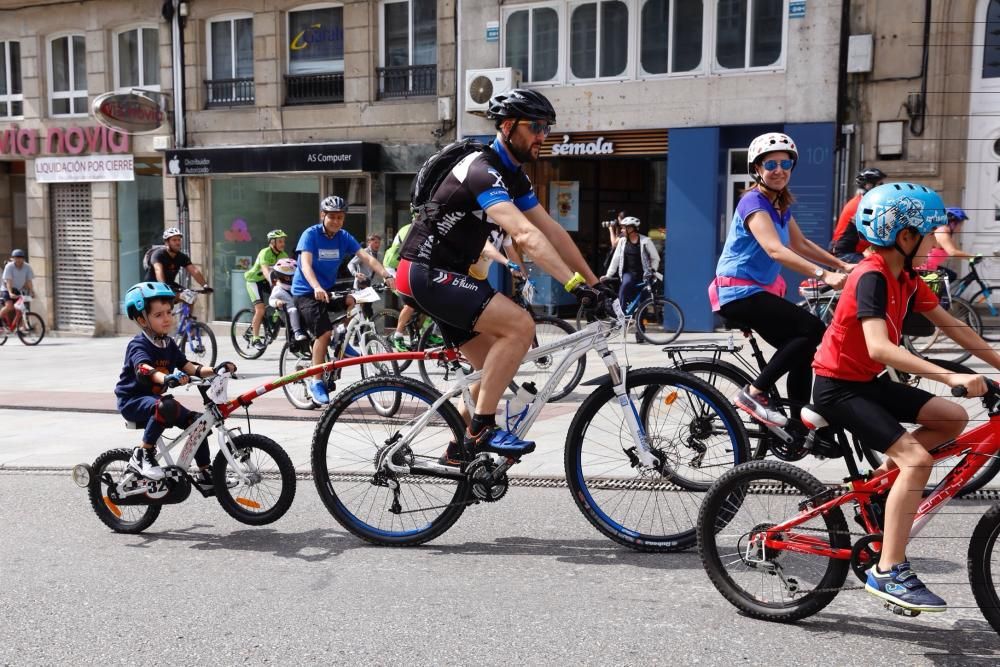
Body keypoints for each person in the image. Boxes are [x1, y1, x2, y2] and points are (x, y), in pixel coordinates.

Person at [811, 182, 1000, 613]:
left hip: (867, 381)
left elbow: (954, 326)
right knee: (917, 458)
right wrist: (949, 374)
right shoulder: (870, 276)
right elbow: (879, 347)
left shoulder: (907, 277)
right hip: (837, 387)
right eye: (929, 233)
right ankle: (889, 569)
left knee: (951, 419)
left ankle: (881, 487)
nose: (936, 241)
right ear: (905, 236)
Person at [396, 88, 612, 464]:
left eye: (548, 128)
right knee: (519, 326)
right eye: (537, 127)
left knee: (490, 370)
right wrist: (574, 286)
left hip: (448, 275)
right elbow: (526, 237)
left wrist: (594, 283)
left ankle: (457, 451)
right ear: (509, 126)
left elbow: (553, 232)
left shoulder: (516, 178)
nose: (543, 136)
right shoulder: (482, 170)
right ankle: (481, 429)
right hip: (424, 271)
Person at [710, 131, 854, 426]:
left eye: (785, 164)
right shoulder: (753, 202)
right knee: (813, 328)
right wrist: (824, 274)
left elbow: (800, 244)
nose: (778, 170)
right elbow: (776, 250)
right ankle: (754, 392)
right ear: (757, 169)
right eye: (771, 164)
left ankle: (798, 430)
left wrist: (842, 265)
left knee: (802, 348)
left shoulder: (779, 205)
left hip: (755, 292)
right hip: (738, 292)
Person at [114, 281, 237, 487]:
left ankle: (206, 474)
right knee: (166, 405)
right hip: (132, 401)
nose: (167, 318)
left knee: (199, 423)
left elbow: (191, 367)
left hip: (154, 400)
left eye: (169, 312)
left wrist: (215, 370)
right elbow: (144, 368)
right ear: (142, 319)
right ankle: (143, 454)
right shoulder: (139, 344)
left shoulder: (168, 344)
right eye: (158, 315)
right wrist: (165, 378)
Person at [291, 195, 395, 404]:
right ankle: (316, 381)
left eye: (340, 217)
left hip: (327, 289)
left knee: (352, 300)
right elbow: (305, 266)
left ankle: (342, 339)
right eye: (332, 217)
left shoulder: (344, 236)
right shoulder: (310, 235)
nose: (337, 221)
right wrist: (316, 287)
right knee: (324, 333)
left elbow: (367, 257)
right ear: (323, 216)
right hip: (306, 291)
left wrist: (386, 275)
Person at [244, 229, 289, 350]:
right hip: (254, 281)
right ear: (272, 242)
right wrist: (275, 285)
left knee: (282, 298)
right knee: (260, 309)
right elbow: (265, 271)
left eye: (283, 241)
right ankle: (255, 338)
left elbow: (287, 272)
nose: (282, 244)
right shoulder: (265, 252)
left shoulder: (283, 255)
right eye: (280, 241)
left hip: (267, 282)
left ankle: (274, 318)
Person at [830, 167, 886, 263]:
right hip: (844, 254)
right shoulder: (862, 205)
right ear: (868, 185)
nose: (883, 187)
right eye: (880, 184)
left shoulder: (864, 201)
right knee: (879, 265)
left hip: (852, 251)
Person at [603, 216, 660, 307]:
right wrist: (608, 275)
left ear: (631, 229)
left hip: (644, 274)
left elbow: (655, 258)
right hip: (629, 273)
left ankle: (639, 319)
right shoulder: (622, 241)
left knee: (643, 299)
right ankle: (621, 313)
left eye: (623, 228)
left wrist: (653, 270)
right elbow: (616, 259)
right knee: (626, 284)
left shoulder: (645, 241)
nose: (621, 230)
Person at [145, 227, 212, 293]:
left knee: (190, 297)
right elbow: (158, 271)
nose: (177, 243)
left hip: (170, 285)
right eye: (174, 240)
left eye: (179, 240)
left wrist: (205, 285)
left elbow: (194, 271)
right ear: (167, 242)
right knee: (166, 302)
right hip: (154, 286)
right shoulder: (158, 254)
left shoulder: (182, 257)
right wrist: (164, 286)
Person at [921, 207, 976, 282]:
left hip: (930, 267)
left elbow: (956, 251)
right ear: (952, 223)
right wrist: (972, 257)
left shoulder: (947, 234)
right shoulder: (942, 233)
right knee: (948, 278)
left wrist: (970, 258)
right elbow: (952, 252)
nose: (960, 228)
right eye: (960, 225)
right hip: (924, 269)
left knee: (952, 275)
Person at [268, 258, 307, 343]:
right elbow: (271, 300)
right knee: (293, 310)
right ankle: (297, 331)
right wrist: (277, 302)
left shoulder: (296, 287)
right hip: (287, 312)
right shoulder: (278, 289)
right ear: (286, 278)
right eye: (294, 276)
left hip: (299, 309)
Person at [1, 249, 34, 327]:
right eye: (16, 258)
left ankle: (21, 328)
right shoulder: (9, 266)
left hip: (18, 290)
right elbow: (9, 281)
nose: (18, 259)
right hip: (6, 289)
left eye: (20, 257)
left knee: (21, 309)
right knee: (9, 306)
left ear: (23, 258)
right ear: (13, 258)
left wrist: (31, 291)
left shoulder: (27, 267)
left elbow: (29, 281)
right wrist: (10, 293)